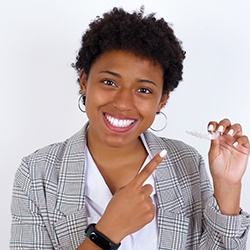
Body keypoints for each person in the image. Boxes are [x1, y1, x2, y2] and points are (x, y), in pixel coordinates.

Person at [10, 7, 250, 250]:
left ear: (162, 100)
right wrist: (107, 232)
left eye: (143, 89)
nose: (123, 103)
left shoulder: (186, 162)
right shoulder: (36, 173)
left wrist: (228, 186)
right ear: (84, 82)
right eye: (109, 82)